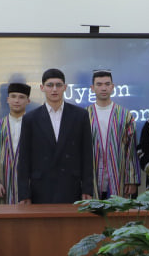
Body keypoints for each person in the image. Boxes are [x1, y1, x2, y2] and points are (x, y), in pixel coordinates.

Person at [17, 69, 94, 204]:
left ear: (65, 87)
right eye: (50, 85)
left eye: (58, 85)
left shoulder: (80, 115)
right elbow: (24, 158)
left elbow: (87, 155)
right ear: (42, 87)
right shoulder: (30, 118)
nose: (54, 89)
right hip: (40, 186)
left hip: (71, 185)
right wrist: (24, 194)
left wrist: (87, 188)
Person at [87, 71, 141, 199]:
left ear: (112, 87)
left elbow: (131, 150)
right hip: (92, 179)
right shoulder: (85, 115)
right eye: (99, 84)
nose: (103, 88)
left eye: (107, 84)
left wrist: (131, 179)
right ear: (92, 88)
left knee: (117, 211)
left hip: (119, 177)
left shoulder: (125, 115)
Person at [0, 83, 31, 205]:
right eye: (13, 96)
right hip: (3, 183)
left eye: (21, 97)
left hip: (28, 184)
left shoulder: (34, 125)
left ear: (28, 101)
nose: (17, 100)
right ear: (7, 99)